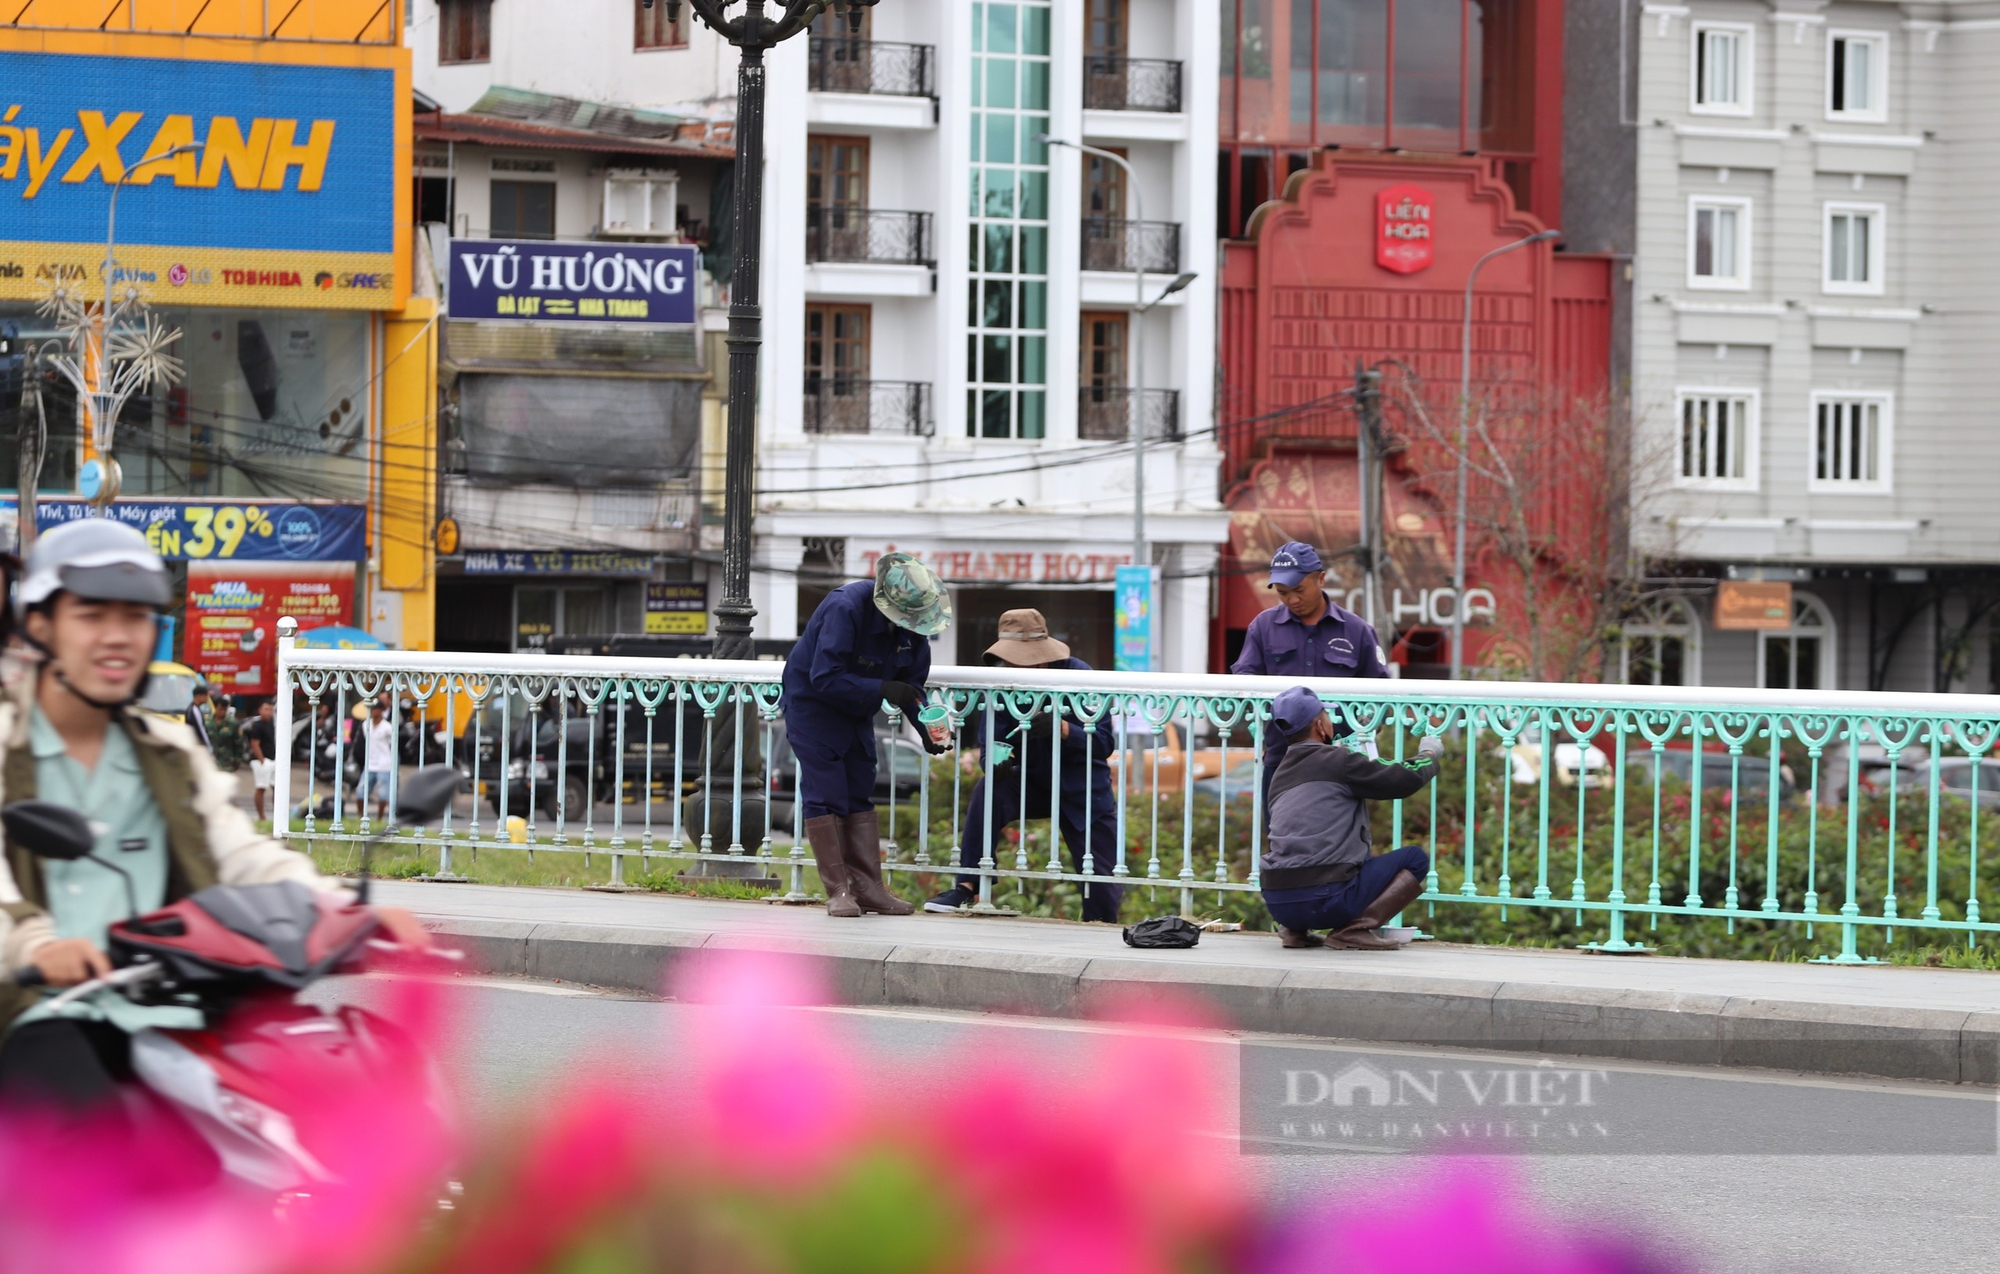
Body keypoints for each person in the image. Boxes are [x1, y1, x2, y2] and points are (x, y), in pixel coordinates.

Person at [0, 519, 429, 1110]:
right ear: (41, 624)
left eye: (133, 617)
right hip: (39, 1012)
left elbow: (239, 854)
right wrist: (36, 946)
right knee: (90, 1137)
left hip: (172, 1008)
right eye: (92, 616)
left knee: (322, 1106)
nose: (117, 636)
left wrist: (341, 908)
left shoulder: (169, 755)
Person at [781, 552, 950, 917]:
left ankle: (870, 889)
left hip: (856, 709)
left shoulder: (913, 632)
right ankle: (838, 891)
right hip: (812, 706)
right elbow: (824, 676)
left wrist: (927, 730)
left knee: (860, 787)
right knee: (826, 792)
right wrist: (884, 689)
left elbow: (912, 686)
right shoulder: (846, 607)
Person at [924, 610, 1122, 922]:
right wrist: (997, 764)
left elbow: (1104, 744)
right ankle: (966, 885)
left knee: (1102, 891)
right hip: (1031, 782)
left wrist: (1064, 729)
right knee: (989, 788)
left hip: (1082, 789)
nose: (1018, 665)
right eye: (1013, 659)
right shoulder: (1002, 681)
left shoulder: (1080, 677)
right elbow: (991, 744)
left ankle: (1100, 925)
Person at [1259, 686, 1439, 951]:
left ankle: (1294, 932)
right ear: (1320, 727)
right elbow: (1403, 778)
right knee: (1415, 859)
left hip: (1278, 904)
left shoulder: (1279, 775)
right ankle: (1351, 931)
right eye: (1327, 716)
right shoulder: (1337, 761)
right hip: (1327, 900)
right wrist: (1430, 755)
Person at [1230, 541, 1392, 794]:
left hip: (1340, 762)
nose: (1292, 600)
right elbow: (1244, 684)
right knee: (1280, 832)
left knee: (1339, 833)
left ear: (1321, 579)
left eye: (1299, 589)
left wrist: (1365, 728)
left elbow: (1381, 693)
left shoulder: (1357, 631)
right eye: (1283, 593)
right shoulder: (1263, 627)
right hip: (1281, 760)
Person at [358, 698, 396, 822]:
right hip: (370, 763)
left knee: (383, 793)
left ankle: (379, 819)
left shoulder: (387, 727)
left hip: (384, 764)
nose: (373, 712)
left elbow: (392, 744)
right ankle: (360, 817)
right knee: (361, 791)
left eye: (375, 709)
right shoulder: (365, 724)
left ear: (381, 710)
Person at [243, 698, 278, 823]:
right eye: (266, 709)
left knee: (277, 787)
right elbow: (255, 744)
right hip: (261, 761)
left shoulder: (272, 723)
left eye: (270, 710)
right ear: (260, 710)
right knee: (261, 787)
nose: (268, 712)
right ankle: (261, 816)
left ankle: (277, 814)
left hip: (273, 759)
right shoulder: (257, 726)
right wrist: (262, 760)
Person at [185, 682, 213, 751]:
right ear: (198, 696)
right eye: (205, 695)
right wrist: (209, 747)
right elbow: (201, 730)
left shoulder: (191, 708)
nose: (207, 698)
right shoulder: (194, 711)